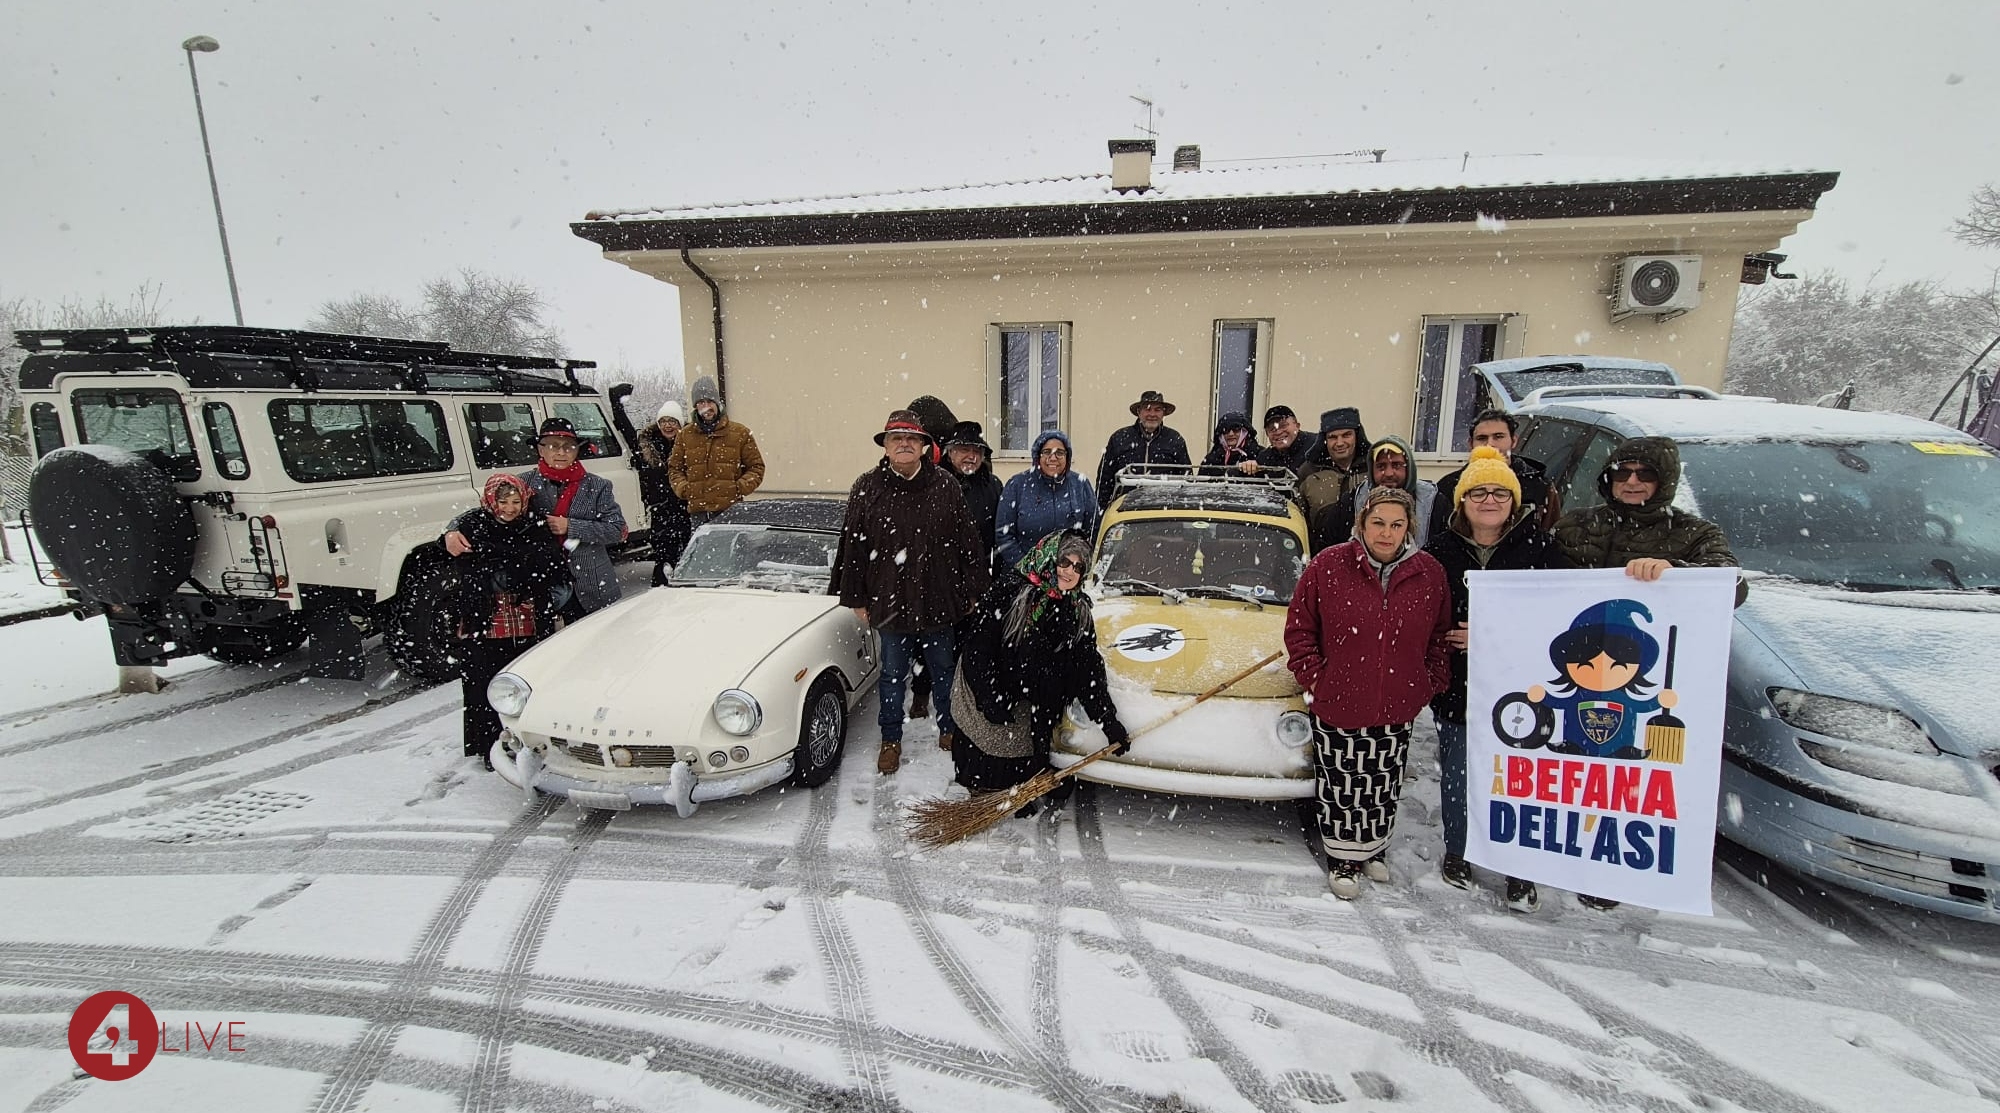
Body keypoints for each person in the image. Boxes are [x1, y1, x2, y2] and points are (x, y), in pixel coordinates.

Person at [1550, 434, 1743, 910]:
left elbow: (1730, 587)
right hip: (1578, 672)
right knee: (1567, 769)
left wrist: (1674, 571)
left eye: (1645, 474)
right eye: (1623, 473)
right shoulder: (1575, 526)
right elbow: (1536, 582)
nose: (1632, 483)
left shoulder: (1696, 534)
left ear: (1665, 480)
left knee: (1628, 779)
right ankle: (1551, 853)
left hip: (1641, 680)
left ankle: (1611, 869)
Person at [1283, 485, 1452, 900]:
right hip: (1339, 696)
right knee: (1344, 782)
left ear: (1409, 527)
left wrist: (1427, 682)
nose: (1386, 533)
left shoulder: (1428, 573)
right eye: (1378, 522)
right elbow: (1300, 629)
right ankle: (1342, 856)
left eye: (1397, 524)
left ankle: (1374, 848)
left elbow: (1440, 637)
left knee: (1383, 780)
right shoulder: (1329, 565)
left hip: (1397, 699)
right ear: (1362, 523)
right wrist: (1315, 677)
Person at [1421, 446, 1568, 912]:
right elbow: (1422, 614)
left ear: (1514, 499)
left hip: (1526, 691)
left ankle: (1519, 867)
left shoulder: (1543, 550)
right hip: (1460, 687)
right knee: (1460, 774)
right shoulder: (1439, 552)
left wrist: (1489, 634)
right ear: (1462, 501)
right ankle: (1459, 850)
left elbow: (1566, 619)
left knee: (1518, 781)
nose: (1489, 500)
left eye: (1499, 492)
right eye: (1478, 492)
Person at [832, 409, 991, 774]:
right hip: (888, 598)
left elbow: (968, 542)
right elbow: (853, 547)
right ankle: (891, 739)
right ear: (886, 447)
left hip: (940, 595)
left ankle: (950, 729)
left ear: (923, 446)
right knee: (891, 675)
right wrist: (855, 597)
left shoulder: (945, 486)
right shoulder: (867, 487)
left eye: (911, 439)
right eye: (896, 438)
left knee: (944, 670)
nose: (904, 444)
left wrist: (973, 590)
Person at [952, 531, 1130, 808]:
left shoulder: (1076, 609)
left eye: (1078, 567)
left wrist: (1109, 721)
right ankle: (987, 789)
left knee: (1029, 755)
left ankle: (1027, 779)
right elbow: (979, 649)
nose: (1070, 571)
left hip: (1033, 692)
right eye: (1064, 562)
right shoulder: (1011, 592)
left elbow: (1088, 669)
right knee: (989, 765)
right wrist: (990, 698)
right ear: (1049, 559)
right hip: (992, 683)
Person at [446, 417, 626, 616]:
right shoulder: (523, 482)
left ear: (577, 451)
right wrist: (452, 529)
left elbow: (617, 530)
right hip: (543, 583)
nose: (560, 452)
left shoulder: (598, 486)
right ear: (540, 450)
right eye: (552, 446)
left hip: (592, 583)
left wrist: (571, 526)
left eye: (568, 446)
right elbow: (488, 511)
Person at [447, 474, 567, 768]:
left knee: (524, 680)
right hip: (483, 615)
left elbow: (551, 565)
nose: (510, 508)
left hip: (525, 611)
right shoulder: (472, 524)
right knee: (483, 681)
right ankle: (488, 744)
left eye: (516, 501)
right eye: (503, 501)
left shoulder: (534, 524)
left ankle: (527, 744)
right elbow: (457, 556)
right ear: (490, 501)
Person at [908, 419, 1002, 727]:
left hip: (974, 577)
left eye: (975, 451)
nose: (970, 457)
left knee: (967, 641)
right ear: (949, 453)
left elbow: (998, 534)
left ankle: (960, 697)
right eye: (963, 450)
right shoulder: (932, 482)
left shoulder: (992, 486)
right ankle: (921, 691)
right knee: (927, 643)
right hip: (936, 577)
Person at [1428, 410, 1551, 538]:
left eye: (1498, 437)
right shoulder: (1449, 485)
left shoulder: (1539, 485)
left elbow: (1551, 533)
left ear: (1514, 441)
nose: (1490, 444)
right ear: (1471, 444)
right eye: (1482, 438)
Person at [668, 375, 765, 528]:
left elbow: (756, 468)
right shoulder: (684, 435)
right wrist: (685, 489)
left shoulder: (740, 433)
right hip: (699, 514)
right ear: (695, 407)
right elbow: (675, 469)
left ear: (717, 403)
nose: (706, 407)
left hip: (731, 512)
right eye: (701, 402)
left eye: (709, 401)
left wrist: (737, 488)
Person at [997, 430, 1099, 569]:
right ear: (1037, 456)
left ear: (1067, 457)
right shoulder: (1017, 485)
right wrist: (1025, 567)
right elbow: (1004, 534)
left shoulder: (1080, 485)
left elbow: (1093, 531)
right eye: (1046, 452)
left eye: (1060, 453)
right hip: (1025, 576)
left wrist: (1076, 566)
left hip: (1070, 575)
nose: (1053, 458)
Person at [1095, 389, 1192, 508]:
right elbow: (1105, 479)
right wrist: (1102, 510)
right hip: (1124, 510)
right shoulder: (1119, 438)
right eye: (1147, 409)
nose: (1152, 414)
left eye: (1157, 410)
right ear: (1139, 412)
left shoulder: (1175, 440)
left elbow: (1187, 480)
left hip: (1164, 512)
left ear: (1163, 413)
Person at [1298, 407, 1372, 552]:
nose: (1339, 443)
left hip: (1367, 556)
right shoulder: (1308, 472)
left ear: (1357, 436)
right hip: (1321, 555)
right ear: (1324, 440)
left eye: (1346, 435)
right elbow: (1300, 518)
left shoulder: (1373, 470)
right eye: (1332, 437)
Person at [636, 401, 693, 586]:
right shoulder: (649, 446)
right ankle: (661, 589)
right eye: (664, 421)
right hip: (660, 509)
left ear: (680, 423)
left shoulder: (689, 444)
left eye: (672, 421)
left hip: (685, 507)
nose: (668, 425)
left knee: (687, 552)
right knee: (663, 554)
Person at [1350, 436, 1438, 550]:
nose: (1389, 473)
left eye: (1396, 465)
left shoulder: (1434, 503)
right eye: (1381, 466)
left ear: (1409, 468)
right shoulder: (1353, 500)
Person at [1257, 405, 1313, 475]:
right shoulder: (1264, 458)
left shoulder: (1316, 446)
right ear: (1267, 434)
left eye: (1283, 426)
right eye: (1272, 429)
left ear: (1297, 426)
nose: (1278, 432)